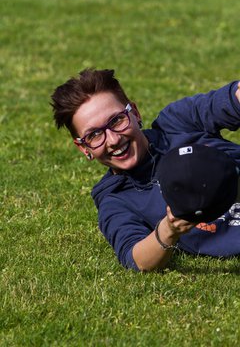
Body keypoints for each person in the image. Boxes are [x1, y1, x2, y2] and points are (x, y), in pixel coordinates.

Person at [50, 68, 240, 272]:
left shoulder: (178, 123)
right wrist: (169, 228)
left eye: (116, 121)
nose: (113, 140)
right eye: (94, 135)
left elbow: (232, 99)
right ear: (84, 148)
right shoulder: (115, 199)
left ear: (135, 113)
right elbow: (136, 258)